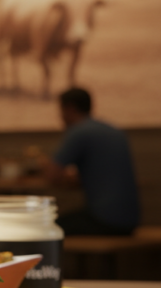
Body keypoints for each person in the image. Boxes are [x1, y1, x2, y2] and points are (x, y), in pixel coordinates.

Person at [44, 88, 139, 235]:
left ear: (70, 108)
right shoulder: (112, 130)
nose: (60, 116)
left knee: (45, 228)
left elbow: (52, 176)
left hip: (106, 220)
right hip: (131, 219)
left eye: (61, 110)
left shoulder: (79, 132)